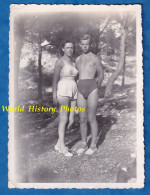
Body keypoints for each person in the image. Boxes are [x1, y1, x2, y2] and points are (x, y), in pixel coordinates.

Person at [75, 34, 104, 155]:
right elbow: (76, 74)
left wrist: (97, 87)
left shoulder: (95, 58)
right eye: (83, 44)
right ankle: (83, 143)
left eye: (87, 44)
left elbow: (101, 74)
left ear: (90, 44)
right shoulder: (77, 59)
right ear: (80, 45)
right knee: (82, 118)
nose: (85, 46)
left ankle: (93, 145)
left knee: (91, 118)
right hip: (80, 88)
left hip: (92, 88)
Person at [52, 40, 78, 157]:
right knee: (64, 119)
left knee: (71, 119)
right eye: (67, 47)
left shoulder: (73, 62)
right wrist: (54, 94)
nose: (70, 50)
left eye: (71, 47)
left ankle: (58, 144)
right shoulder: (60, 62)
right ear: (63, 49)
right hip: (63, 89)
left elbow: (75, 78)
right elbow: (55, 79)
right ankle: (63, 147)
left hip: (73, 89)